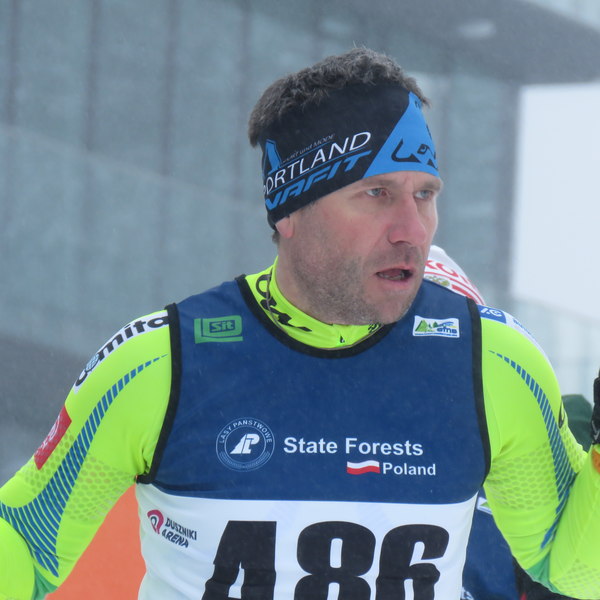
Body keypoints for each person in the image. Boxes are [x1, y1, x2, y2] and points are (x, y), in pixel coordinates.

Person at [2, 47, 600, 600]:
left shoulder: (492, 361)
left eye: (424, 195)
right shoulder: (161, 363)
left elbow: (572, 567)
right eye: (376, 194)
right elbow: (26, 543)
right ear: (289, 211)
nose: (412, 230)